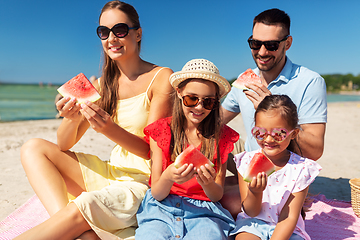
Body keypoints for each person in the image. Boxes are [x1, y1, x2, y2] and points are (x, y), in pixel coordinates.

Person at [16, 1, 173, 239]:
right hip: (111, 173)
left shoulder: (161, 78)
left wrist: (109, 129)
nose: (111, 38)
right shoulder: (101, 85)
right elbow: (63, 145)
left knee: (85, 202)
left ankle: (71, 227)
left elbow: (155, 151)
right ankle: (75, 229)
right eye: (103, 32)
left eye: (120, 30)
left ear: (138, 33)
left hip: (145, 182)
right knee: (33, 148)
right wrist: (70, 118)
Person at [220, 8, 327, 218]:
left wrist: (271, 110)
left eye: (271, 45)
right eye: (255, 43)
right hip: (250, 167)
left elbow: (315, 149)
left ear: (287, 44)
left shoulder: (310, 82)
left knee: (230, 204)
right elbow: (214, 122)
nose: (261, 52)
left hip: (287, 175)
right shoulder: (245, 80)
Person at [134, 59, 239, 240]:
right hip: (161, 209)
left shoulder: (221, 137)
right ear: (179, 92)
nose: (199, 107)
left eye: (208, 102)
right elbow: (157, 193)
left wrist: (207, 184)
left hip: (204, 212)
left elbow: (216, 194)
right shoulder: (161, 131)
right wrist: (168, 176)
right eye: (192, 99)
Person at [230, 94, 321, 240]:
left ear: (294, 134)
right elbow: (251, 212)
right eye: (260, 132)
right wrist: (254, 192)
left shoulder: (301, 169)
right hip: (252, 223)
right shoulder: (246, 162)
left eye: (278, 134)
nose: (268, 139)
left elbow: (289, 217)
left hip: (288, 227)